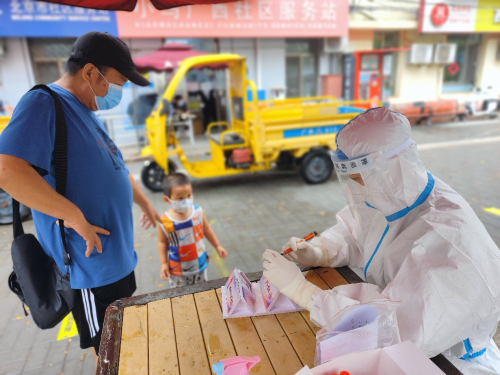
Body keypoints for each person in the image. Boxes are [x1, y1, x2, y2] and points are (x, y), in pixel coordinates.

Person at [262, 107, 500, 374]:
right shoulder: (400, 193)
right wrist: (320, 251)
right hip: (415, 349)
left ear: (386, 169)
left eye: (359, 179)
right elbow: (362, 230)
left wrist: (306, 293)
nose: (357, 188)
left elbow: (394, 329)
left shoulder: (447, 240)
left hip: (448, 362)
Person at [0, 32, 160, 366]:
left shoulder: (86, 110)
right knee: (107, 348)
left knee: (124, 335)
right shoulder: (44, 102)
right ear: (90, 72)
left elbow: (115, 165)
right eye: (115, 82)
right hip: (89, 267)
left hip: (117, 259)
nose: (116, 92)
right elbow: (7, 170)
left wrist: (144, 203)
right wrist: (73, 215)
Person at [158, 172, 227, 288]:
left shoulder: (198, 212)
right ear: (167, 199)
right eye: (180, 198)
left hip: (200, 265)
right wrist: (163, 263)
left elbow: (207, 229)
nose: (186, 200)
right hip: (177, 270)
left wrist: (217, 246)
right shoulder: (164, 221)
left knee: (202, 293)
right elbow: (162, 242)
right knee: (180, 297)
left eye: (189, 195)